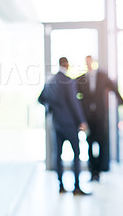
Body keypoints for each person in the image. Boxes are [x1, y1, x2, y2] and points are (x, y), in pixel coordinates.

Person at [38, 57, 89, 195]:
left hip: (56, 123)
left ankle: (61, 186)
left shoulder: (51, 81)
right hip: (70, 124)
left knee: (58, 155)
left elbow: (41, 99)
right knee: (77, 154)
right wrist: (81, 121)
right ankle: (76, 187)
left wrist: (51, 108)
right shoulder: (68, 81)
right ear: (67, 65)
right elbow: (74, 103)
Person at [77, 55, 123, 182]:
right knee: (89, 145)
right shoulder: (81, 79)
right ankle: (92, 171)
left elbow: (115, 91)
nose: (89, 64)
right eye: (87, 62)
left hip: (100, 118)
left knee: (101, 144)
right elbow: (74, 98)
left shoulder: (102, 76)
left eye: (90, 62)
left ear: (93, 62)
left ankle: (99, 172)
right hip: (88, 119)